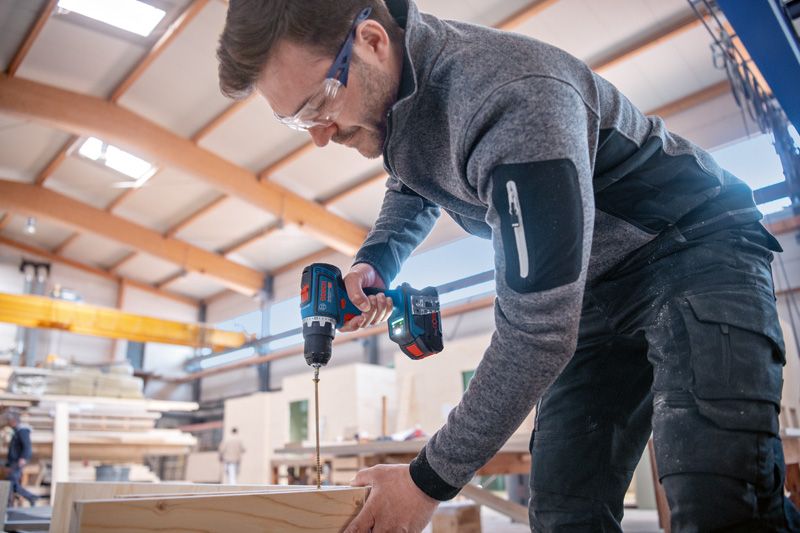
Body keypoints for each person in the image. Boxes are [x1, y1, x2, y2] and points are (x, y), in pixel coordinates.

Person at [217, 1, 800, 530]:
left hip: (693, 245)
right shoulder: (398, 107)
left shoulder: (513, 97)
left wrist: (425, 482)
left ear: (371, 41)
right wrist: (376, 261)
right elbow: (412, 182)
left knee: (721, 501)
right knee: (565, 511)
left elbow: (538, 332)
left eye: (319, 104)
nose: (319, 137)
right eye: (298, 121)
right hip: (594, 284)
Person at [4, 410, 37, 507]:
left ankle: (29, 497)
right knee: (11, 482)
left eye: (9, 421)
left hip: (17, 461)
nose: (8, 423)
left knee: (10, 483)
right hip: (13, 461)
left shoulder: (22, 431)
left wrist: (23, 458)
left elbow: (27, 446)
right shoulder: (16, 431)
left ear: (14, 420)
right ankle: (30, 497)